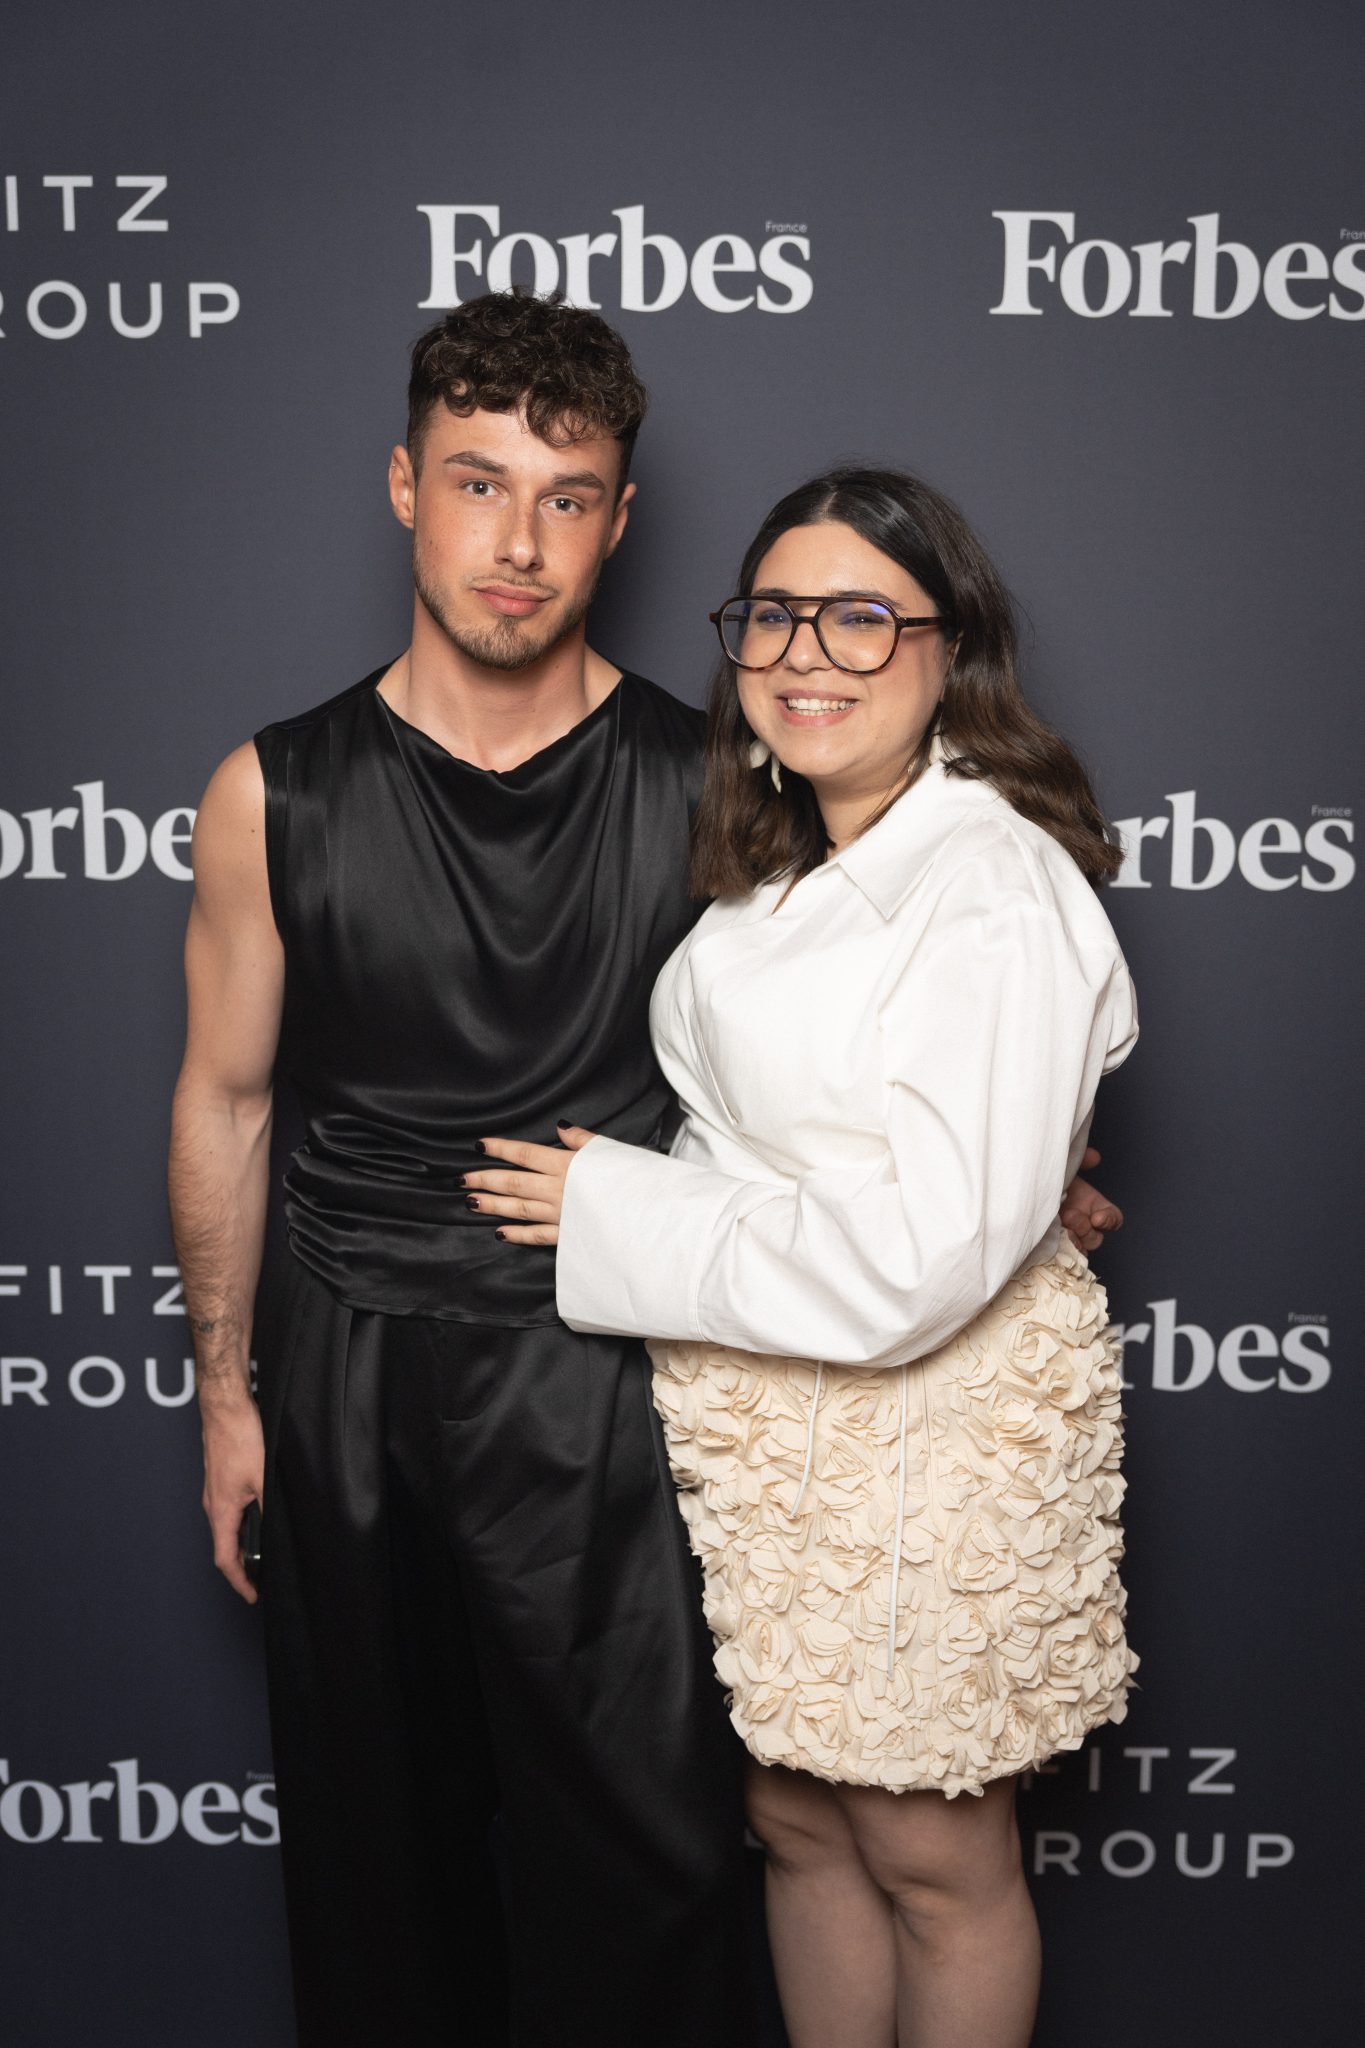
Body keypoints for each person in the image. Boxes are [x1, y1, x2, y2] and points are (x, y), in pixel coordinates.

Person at [169, 288, 1121, 2046]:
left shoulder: (725, 779)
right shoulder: (270, 790)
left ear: (619, 517)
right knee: (385, 1857)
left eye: (568, 496)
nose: (516, 543)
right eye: (475, 483)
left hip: (613, 1382)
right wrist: (228, 1393)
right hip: (347, 1363)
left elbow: (865, 1027)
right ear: (402, 487)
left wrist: (1031, 1157)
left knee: (663, 1858)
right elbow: (225, 1100)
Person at [466, 465, 1138, 2048]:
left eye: (859, 615)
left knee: (926, 1842)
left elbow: (921, 1260)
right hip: (778, 1426)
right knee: (796, 1817)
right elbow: (811, 1141)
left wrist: (615, 1212)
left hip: (930, 1421)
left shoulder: (983, 878)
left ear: (945, 646)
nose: (806, 652)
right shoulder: (783, 868)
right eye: (774, 613)